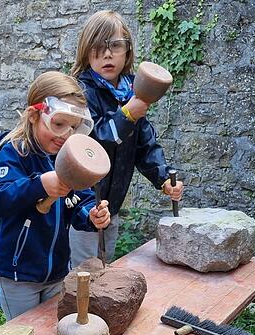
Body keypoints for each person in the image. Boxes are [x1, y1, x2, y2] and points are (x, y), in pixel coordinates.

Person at [0, 71, 111, 320]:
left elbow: (81, 200)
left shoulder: (67, 156)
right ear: (34, 115)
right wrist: (40, 185)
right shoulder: (15, 153)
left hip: (57, 272)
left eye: (74, 127)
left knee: (49, 330)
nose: (65, 134)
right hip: (18, 275)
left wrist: (91, 215)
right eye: (58, 124)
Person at [69, 10, 184, 266]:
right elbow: (89, 148)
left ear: (127, 51)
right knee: (81, 275)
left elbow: (144, 144)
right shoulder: (79, 91)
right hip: (82, 206)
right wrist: (126, 115)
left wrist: (164, 177)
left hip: (113, 204)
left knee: (104, 266)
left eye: (116, 45)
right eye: (98, 46)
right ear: (86, 51)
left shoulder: (132, 90)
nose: (107, 54)